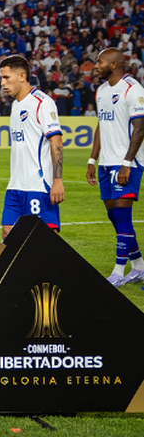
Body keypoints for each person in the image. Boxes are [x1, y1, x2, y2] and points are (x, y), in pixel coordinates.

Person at [87, 48, 144, 284]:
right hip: (105, 164)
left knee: (122, 214)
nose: (95, 66)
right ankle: (139, 266)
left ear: (113, 65)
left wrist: (126, 163)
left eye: (99, 62)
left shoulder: (133, 89)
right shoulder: (101, 91)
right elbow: (101, 126)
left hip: (127, 164)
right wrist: (92, 160)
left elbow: (140, 129)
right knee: (113, 215)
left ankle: (118, 272)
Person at [0, 55, 64, 238]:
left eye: (6, 78)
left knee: (43, 238)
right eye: (1, 78)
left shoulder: (42, 103)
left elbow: (56, 142)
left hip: (38, 184)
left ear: (21, 76)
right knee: (7, 232)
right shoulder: (16, 105)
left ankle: (54, 267)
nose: (2, 83)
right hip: (16, 184)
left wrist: (57, 181)